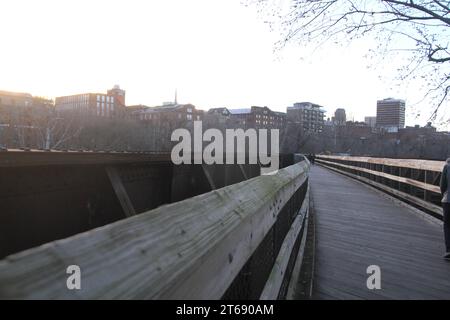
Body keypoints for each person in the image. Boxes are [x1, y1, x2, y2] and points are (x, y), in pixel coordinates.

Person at [440, 158, 450, 260]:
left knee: (447, 225)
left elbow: (442, 185)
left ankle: (448, 250)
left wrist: (443, 195)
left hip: (447, 200)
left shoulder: (447, 166)